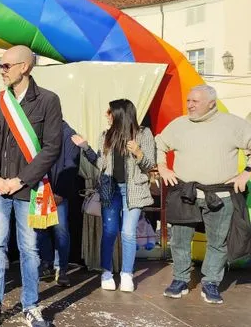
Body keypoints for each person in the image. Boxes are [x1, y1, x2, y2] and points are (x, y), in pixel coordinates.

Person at [0, 46, 61, 327]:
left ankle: (30, 306)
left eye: (6, 66)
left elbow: (52, 147)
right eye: (0, 66)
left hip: (28, 189)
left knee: (29, 249)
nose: (2, 70)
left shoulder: (48, 101)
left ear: (24, 67)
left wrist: (21, 180)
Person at [156, 85, 251, 303]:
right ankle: (180, 279)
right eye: (188, 100)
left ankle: (210, 283)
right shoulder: (179, 125)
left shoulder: (233, 124)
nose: (189, 105)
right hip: (185, 193)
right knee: (179, 240)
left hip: (220, 195)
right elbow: (158, 143)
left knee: (218, 241)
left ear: (211, 103)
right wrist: (163, 167)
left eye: (195, 101)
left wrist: (247, 172)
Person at [72, 99, 156, 292]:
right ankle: (107, 273)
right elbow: (101, 164)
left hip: (133, 190)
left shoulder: (143, 134)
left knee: (128, 232)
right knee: (109, 232)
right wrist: (86, 148)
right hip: (111, 190)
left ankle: (127, 274)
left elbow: (149, 165)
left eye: (109, 112)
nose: (106, 115)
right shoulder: (106, 136)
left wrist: (138, 152)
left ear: (119, 114)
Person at [37, 120, 80, 287]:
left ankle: (61, 268)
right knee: (40, 229)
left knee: (61, 230)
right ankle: (47, 263)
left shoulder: (68, 133)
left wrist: (60, 193)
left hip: (58, 192)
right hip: (40, 189)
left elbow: (71, 165)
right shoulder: (38, 129)